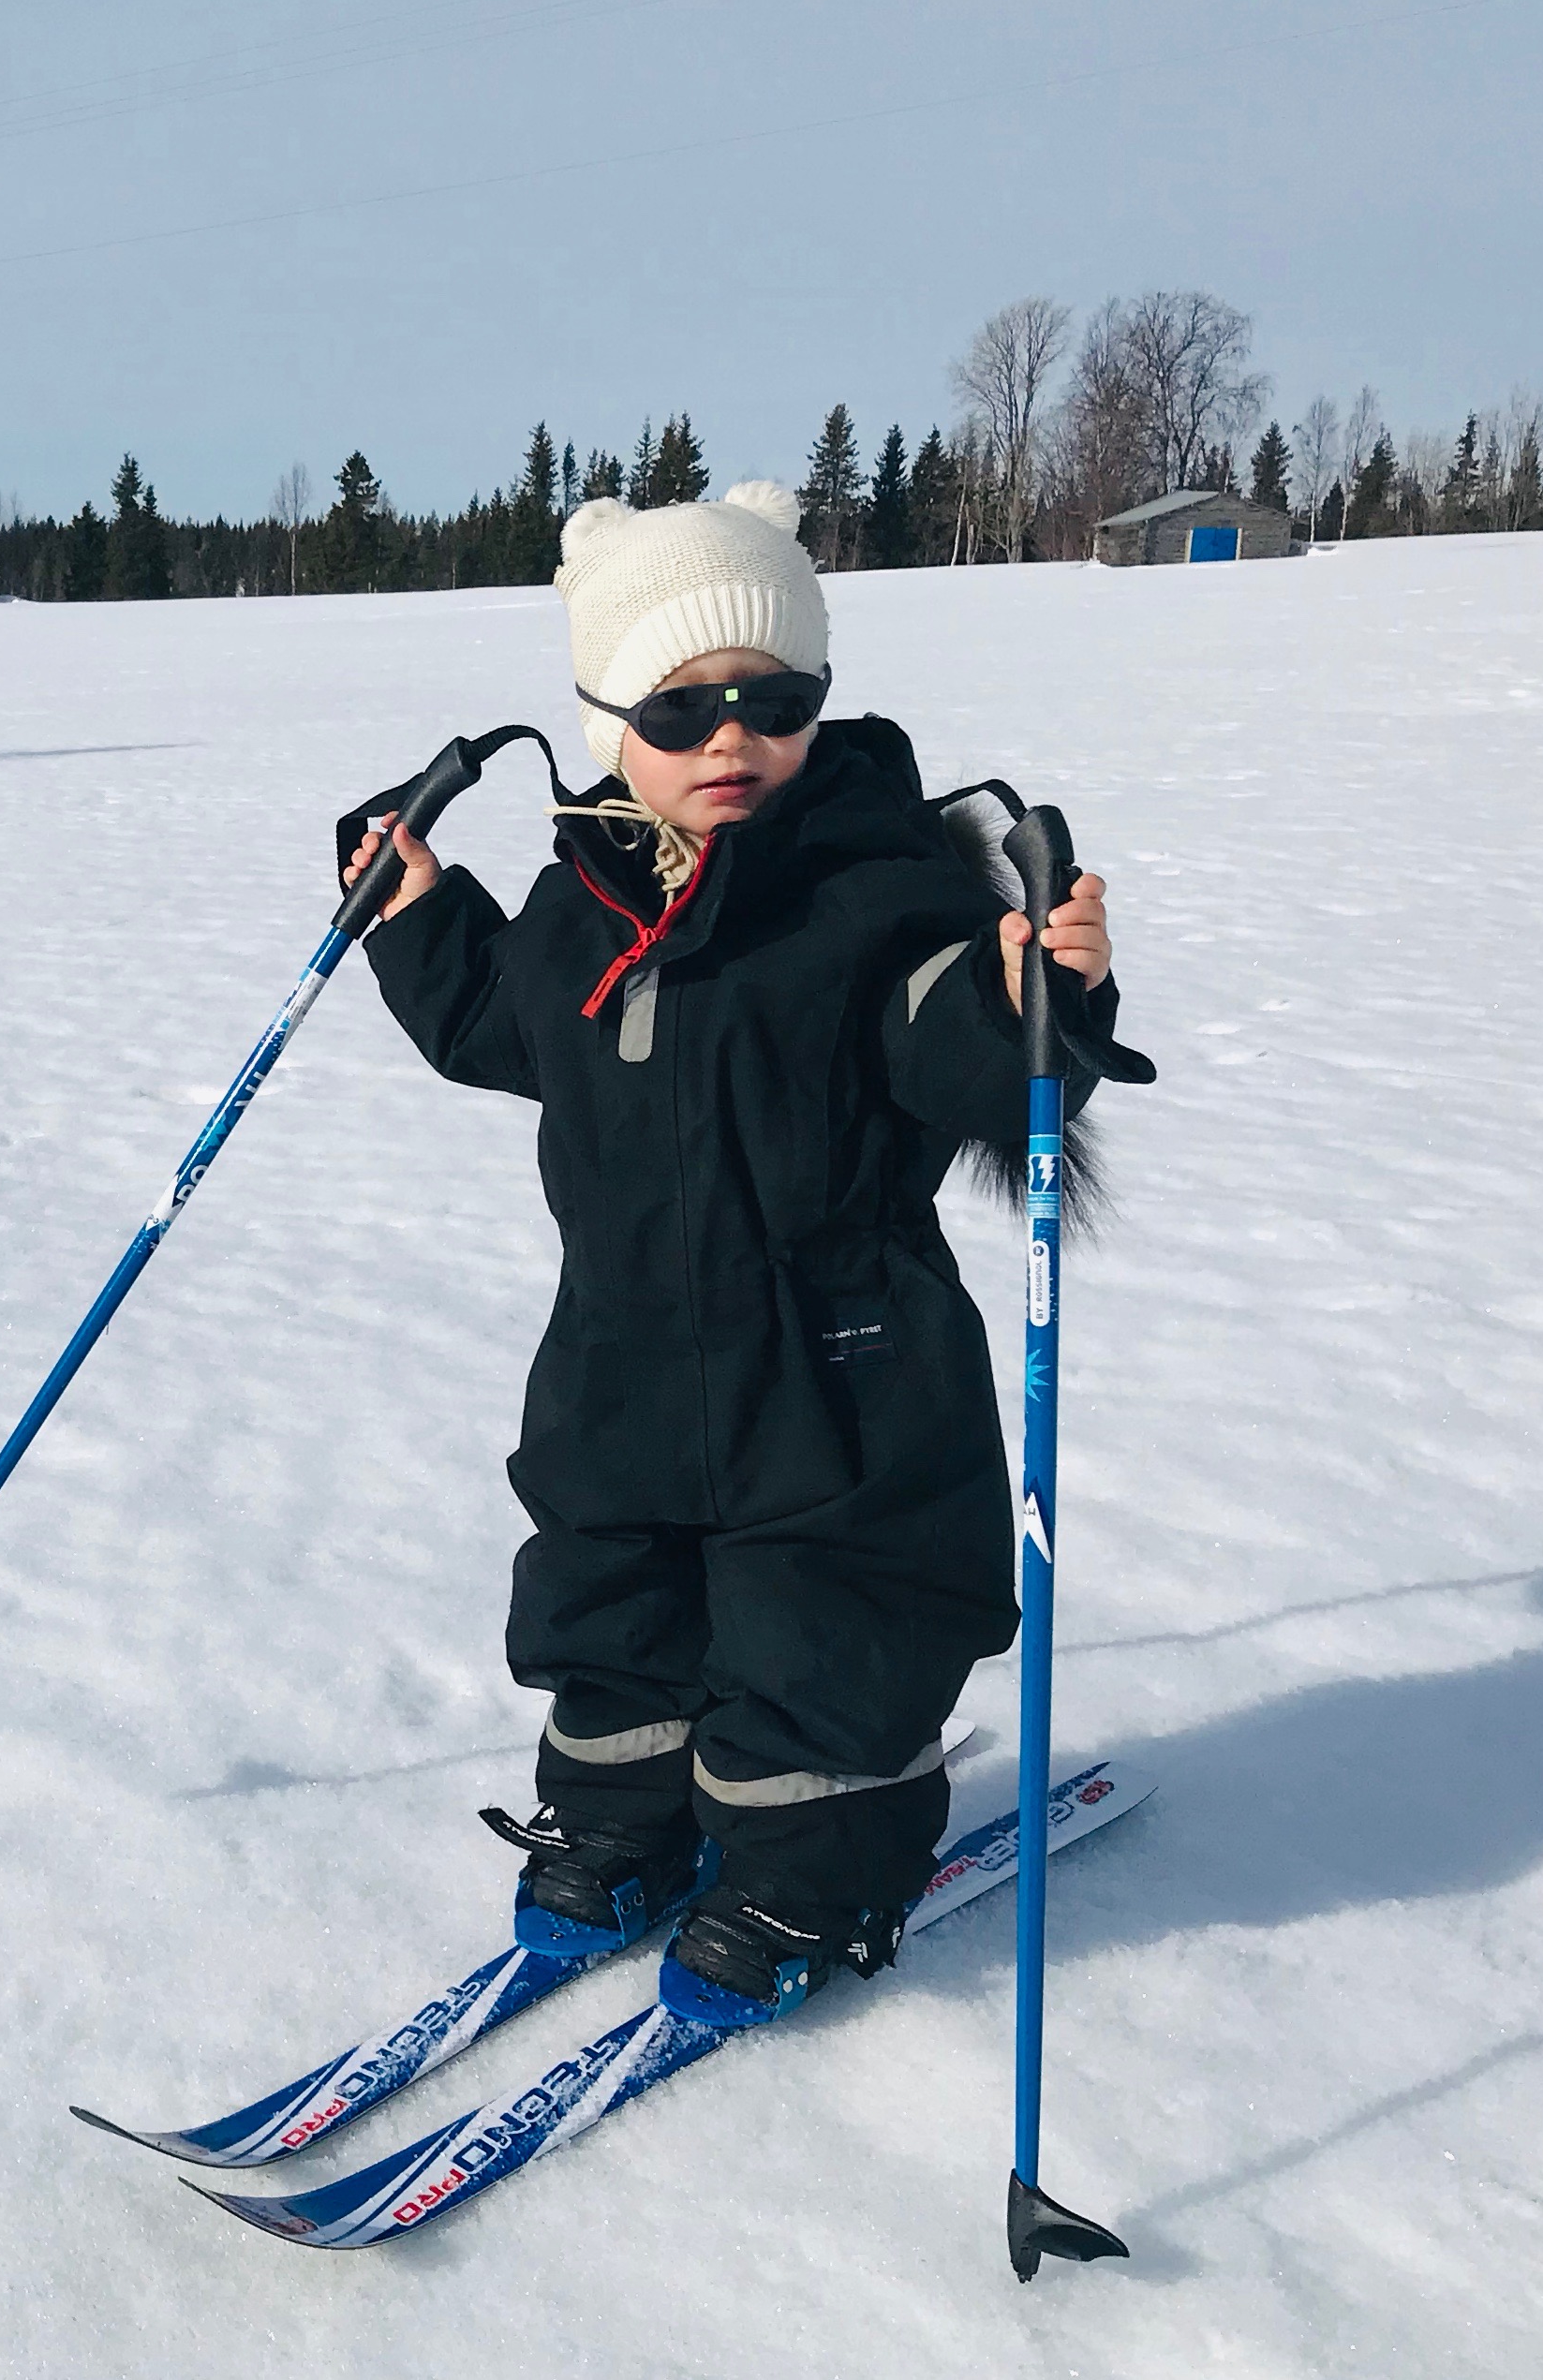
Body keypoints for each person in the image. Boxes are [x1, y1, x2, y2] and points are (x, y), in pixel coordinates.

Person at [339, 480, 1122, 2025]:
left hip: (840, 1371)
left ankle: (810, 1866)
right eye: (683, 706)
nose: (732, 739)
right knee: (608, 1601)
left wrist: (1030, 993)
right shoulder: (586, 905)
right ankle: (629, 1818)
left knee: (822, 1630)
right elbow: (512, 1028)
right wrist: (424, 923)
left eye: (776, 700)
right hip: (621, 1353)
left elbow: (946, 1048)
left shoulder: (873, 900)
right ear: (607, 714)